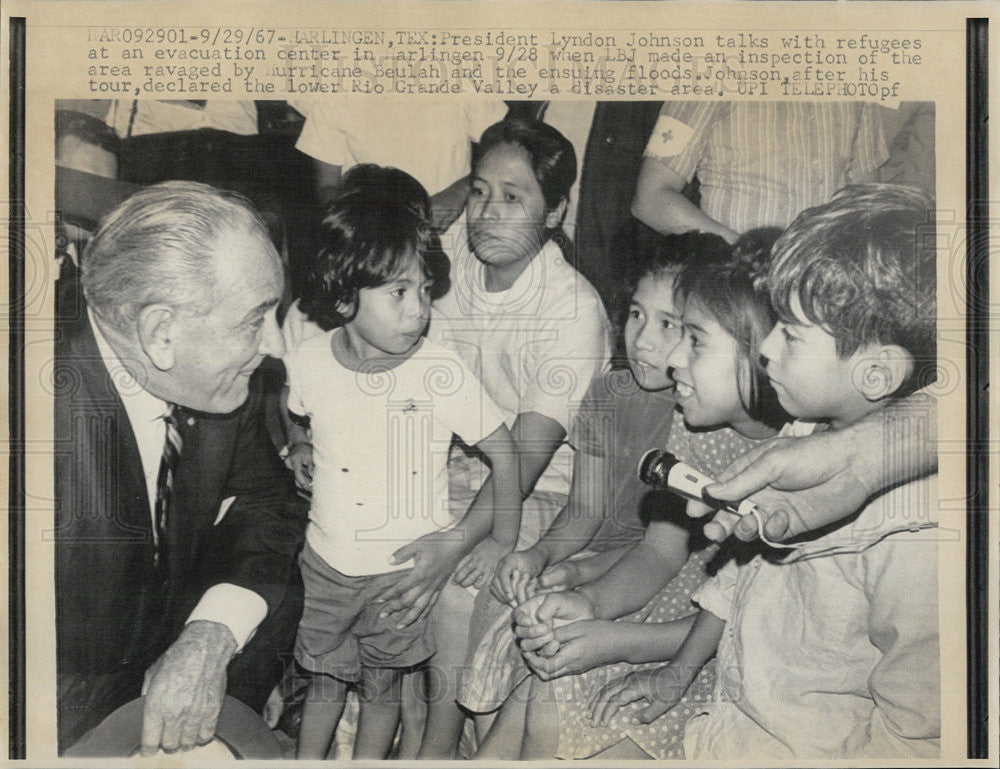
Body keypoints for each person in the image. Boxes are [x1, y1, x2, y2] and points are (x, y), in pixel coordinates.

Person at [599, 185, 941, 759]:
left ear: (876, 374)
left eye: (792, 333)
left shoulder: (917, 543)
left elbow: (918, 732)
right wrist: (678, 673)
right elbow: (738, 581)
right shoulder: (803, 436)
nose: (766, 349)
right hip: (729, 724)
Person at [511, 229, 788, 761]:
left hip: (732, 652)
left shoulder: (797, 454)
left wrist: (620, 641)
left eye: (693, 339)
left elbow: (749, 618)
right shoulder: (696, 425)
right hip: (681, 605)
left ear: (760, 352)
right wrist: (587, 603)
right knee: (550, 697)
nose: (673, 358)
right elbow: (659, 551)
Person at [53, 181, 307, 754]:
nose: (276, 345)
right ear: (161, 333)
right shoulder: (36, 424)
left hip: (164, 645)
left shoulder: (210, 378)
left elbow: (271, 505)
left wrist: (210, 636)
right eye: (255, 320)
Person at [282, 165, 522, 760]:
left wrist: (501, 543)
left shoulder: (437, 371)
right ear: (344, 294)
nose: (419, 310)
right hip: (327, 564)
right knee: (325, 681)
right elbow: (295, 410)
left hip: (400, 574)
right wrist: (300, 444)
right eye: (398, 293)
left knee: (382, 687)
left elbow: (505, 452)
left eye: (423, 291)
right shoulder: (310, 359)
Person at [459, 228, 731, 749]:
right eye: (635, 314)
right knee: (507, 603)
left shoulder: (699, 414)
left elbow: (657, 553)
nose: (644, 340)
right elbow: (582, 513)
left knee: (548, 642)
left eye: (669, 324)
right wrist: (539, 556)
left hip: (648, 573)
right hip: (607, 557)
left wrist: (580, 580)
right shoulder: (611, 391)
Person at [392, 117, 610, 757]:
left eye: (514, 198)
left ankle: (442, 742)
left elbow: (531, 452)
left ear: (556, 211)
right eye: (480, 191)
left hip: (541, 482)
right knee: (370, 546)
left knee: (458, 591)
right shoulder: (451, 250)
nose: (488, 214)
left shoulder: (572, 309)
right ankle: (392, 730)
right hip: (453, 460)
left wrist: (459, 537)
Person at [632, 101, 888, 242]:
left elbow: (868, 207)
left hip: (819, 291)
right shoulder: (711, 66)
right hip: (735, 286)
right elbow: (651, 198)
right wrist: (743, 252)